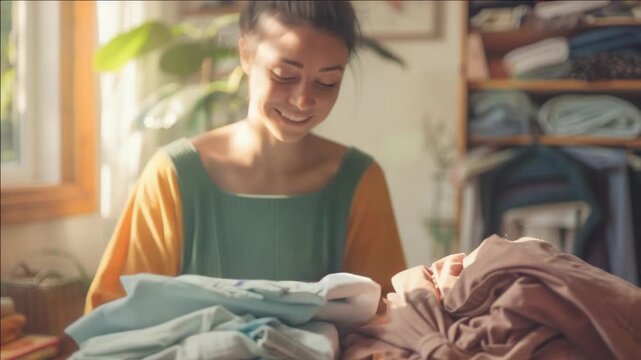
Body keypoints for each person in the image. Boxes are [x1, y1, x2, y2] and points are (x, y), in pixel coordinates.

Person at [84, 0, 406, 313]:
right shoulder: (173, 176)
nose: (304, 100)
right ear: (246, 54)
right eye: (284, 75)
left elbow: (386, 319)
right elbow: (113, 315)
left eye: (326, 82)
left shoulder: (360, 181)